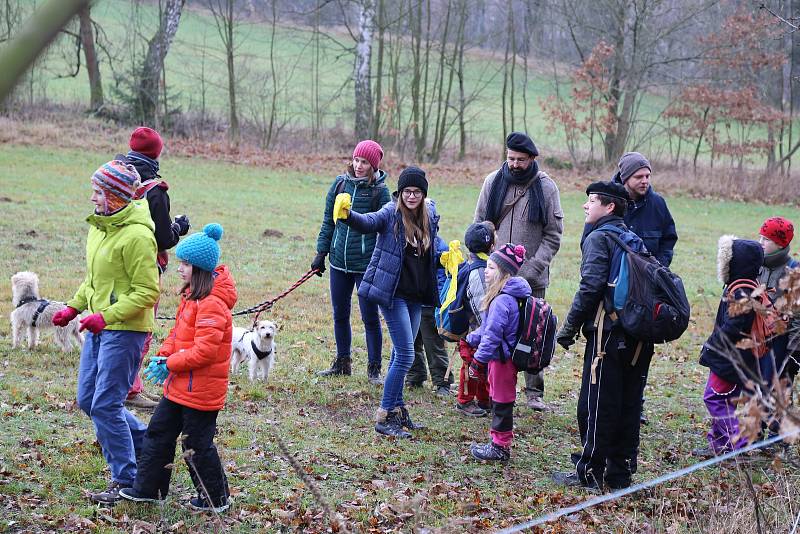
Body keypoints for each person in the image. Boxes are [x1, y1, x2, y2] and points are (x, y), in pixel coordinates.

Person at [52, 160, 160, 504]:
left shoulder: (139, 236)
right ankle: (149, 449)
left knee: (106, 404)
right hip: (100, 325)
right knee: (88, 399)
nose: (92, 198)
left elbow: (147, 291)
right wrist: (74, 305)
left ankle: (126, 477)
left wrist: (107, 315)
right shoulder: (99, 228)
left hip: (126, 330)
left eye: (98, 192)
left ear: (114, 196)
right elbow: (95, 280)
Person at [120, 223, 238, 512]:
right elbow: (178, 335)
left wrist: (171, 364)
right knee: (158, 432)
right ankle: (149, 488)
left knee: (196, 446)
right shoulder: (191, 298)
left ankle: (216, 499)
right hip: (179, 387)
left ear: (198, 268)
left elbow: (205, 351)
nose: (179, 268)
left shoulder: (212, 304)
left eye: (185, 264)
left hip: (201, 393)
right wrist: (164, 355)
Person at [551, 180, 654, 491]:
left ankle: (590, 473)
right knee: (628, 403)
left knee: (595, 404)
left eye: (592, 200)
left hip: (607, 336)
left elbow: (590, 286)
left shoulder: (599, 238)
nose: (585, 205)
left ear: (609, 206)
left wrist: (568, 328)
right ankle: (620, 473)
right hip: (639, 335)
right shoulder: (633, 238)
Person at [338, 166, 440, 438]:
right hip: (392, 294)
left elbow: (433, 246)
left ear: (423, 193)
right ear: (400, 192)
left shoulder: (429, 216)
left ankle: (398, 409)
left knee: (400, 352)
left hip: (417, 295)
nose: (411, 196)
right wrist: (347, 215)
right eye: (407, 191)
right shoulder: (391, 213)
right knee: (406, 354)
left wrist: (446, 257)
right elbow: (368, 222)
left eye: (416, 191)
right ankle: (384, 415)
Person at [474, 132, 563, 411]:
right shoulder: (492, 182)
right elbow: (480, 225)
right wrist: (487, 263)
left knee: (531, 333)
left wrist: (533, 269)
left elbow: (553, 236)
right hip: (496, 276)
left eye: (520, 160)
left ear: (532, 159)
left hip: (532, 279)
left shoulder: (547, 188)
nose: (514, 164)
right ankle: (493, 390)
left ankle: (534, 392)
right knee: (494, 329)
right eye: (510, 158)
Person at [117, 127, 191, 411]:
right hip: (145, 266)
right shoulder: (153, 190)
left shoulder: (116, 177)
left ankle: (115, 382)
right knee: (141, 327)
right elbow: (164, 238)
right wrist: (179, 227)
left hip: (115, 261)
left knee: (116, 323)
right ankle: (130, 389)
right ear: (156, 153)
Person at [312, 140, 391, 384]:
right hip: (338, 261)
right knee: (340, 314)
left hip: (366, 264)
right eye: (356, 160)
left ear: (373, 165)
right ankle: (342, 362)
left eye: (364, 162)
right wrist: (321, 253)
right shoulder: (339, 184)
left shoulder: (380, 192)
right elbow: (328, 221)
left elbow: (384, 228)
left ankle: (374, 368)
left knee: (369, 317)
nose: (358, 165)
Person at [612, 152, 678, 423]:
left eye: (648, 176)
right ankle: (613, 401)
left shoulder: (658, 205)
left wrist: (658, 268)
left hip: (649, 289)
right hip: (616, 286)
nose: (645, 181)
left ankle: (635, 403)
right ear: (626, 178)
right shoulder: (610, 201)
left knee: (642, 346)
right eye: (639, 176)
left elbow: (669, 238)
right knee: (615, 344)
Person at [691, 236, 765, 458]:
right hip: (734, 358)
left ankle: (738, 446)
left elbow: (735, 326)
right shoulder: (743, 285)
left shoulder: (742, 291)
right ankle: (720, 445)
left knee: (714, 398)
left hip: (731, 359)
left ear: (735, 262)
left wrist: (713, 344)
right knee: (722, 400)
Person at [463, 243, 530, 462]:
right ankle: (498, 442)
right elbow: (487, 328)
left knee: (502, 401)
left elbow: (492, 336)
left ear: (502, 271)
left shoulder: (502, 300)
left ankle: (500, 447)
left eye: (491, 267)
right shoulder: (506, 295)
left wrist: (477, 361)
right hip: (502, 358)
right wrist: (470, 338)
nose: (486, 271)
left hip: (502, 360)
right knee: (499, 398)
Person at [456, 222, 495, 417]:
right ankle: (465, 401)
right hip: (473, 331)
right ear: (490, 246)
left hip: (479, 331)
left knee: (483, 367)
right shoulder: (478, 272)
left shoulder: (477, 265)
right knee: (471, 367)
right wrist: (489, 329)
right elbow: (482, 306)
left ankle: (484, 399)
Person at [407, 235, 453, 396]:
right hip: (409, 301)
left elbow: (443, 277)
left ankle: (442, 382)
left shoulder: (439, 246)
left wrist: (438, 300)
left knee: (433, 343)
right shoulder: (405, 240)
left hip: (429, 304)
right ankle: (415, 375)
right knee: (411, 341)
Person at [758, 217, 799, 386]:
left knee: (776, 392)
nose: (760, 242)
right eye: (760, 237)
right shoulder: (754, 263)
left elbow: (798, 316)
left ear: (781, 244)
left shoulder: (793, 272)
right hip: (754, 337)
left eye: (766, 239)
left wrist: (793, 352)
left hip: (780, 342)